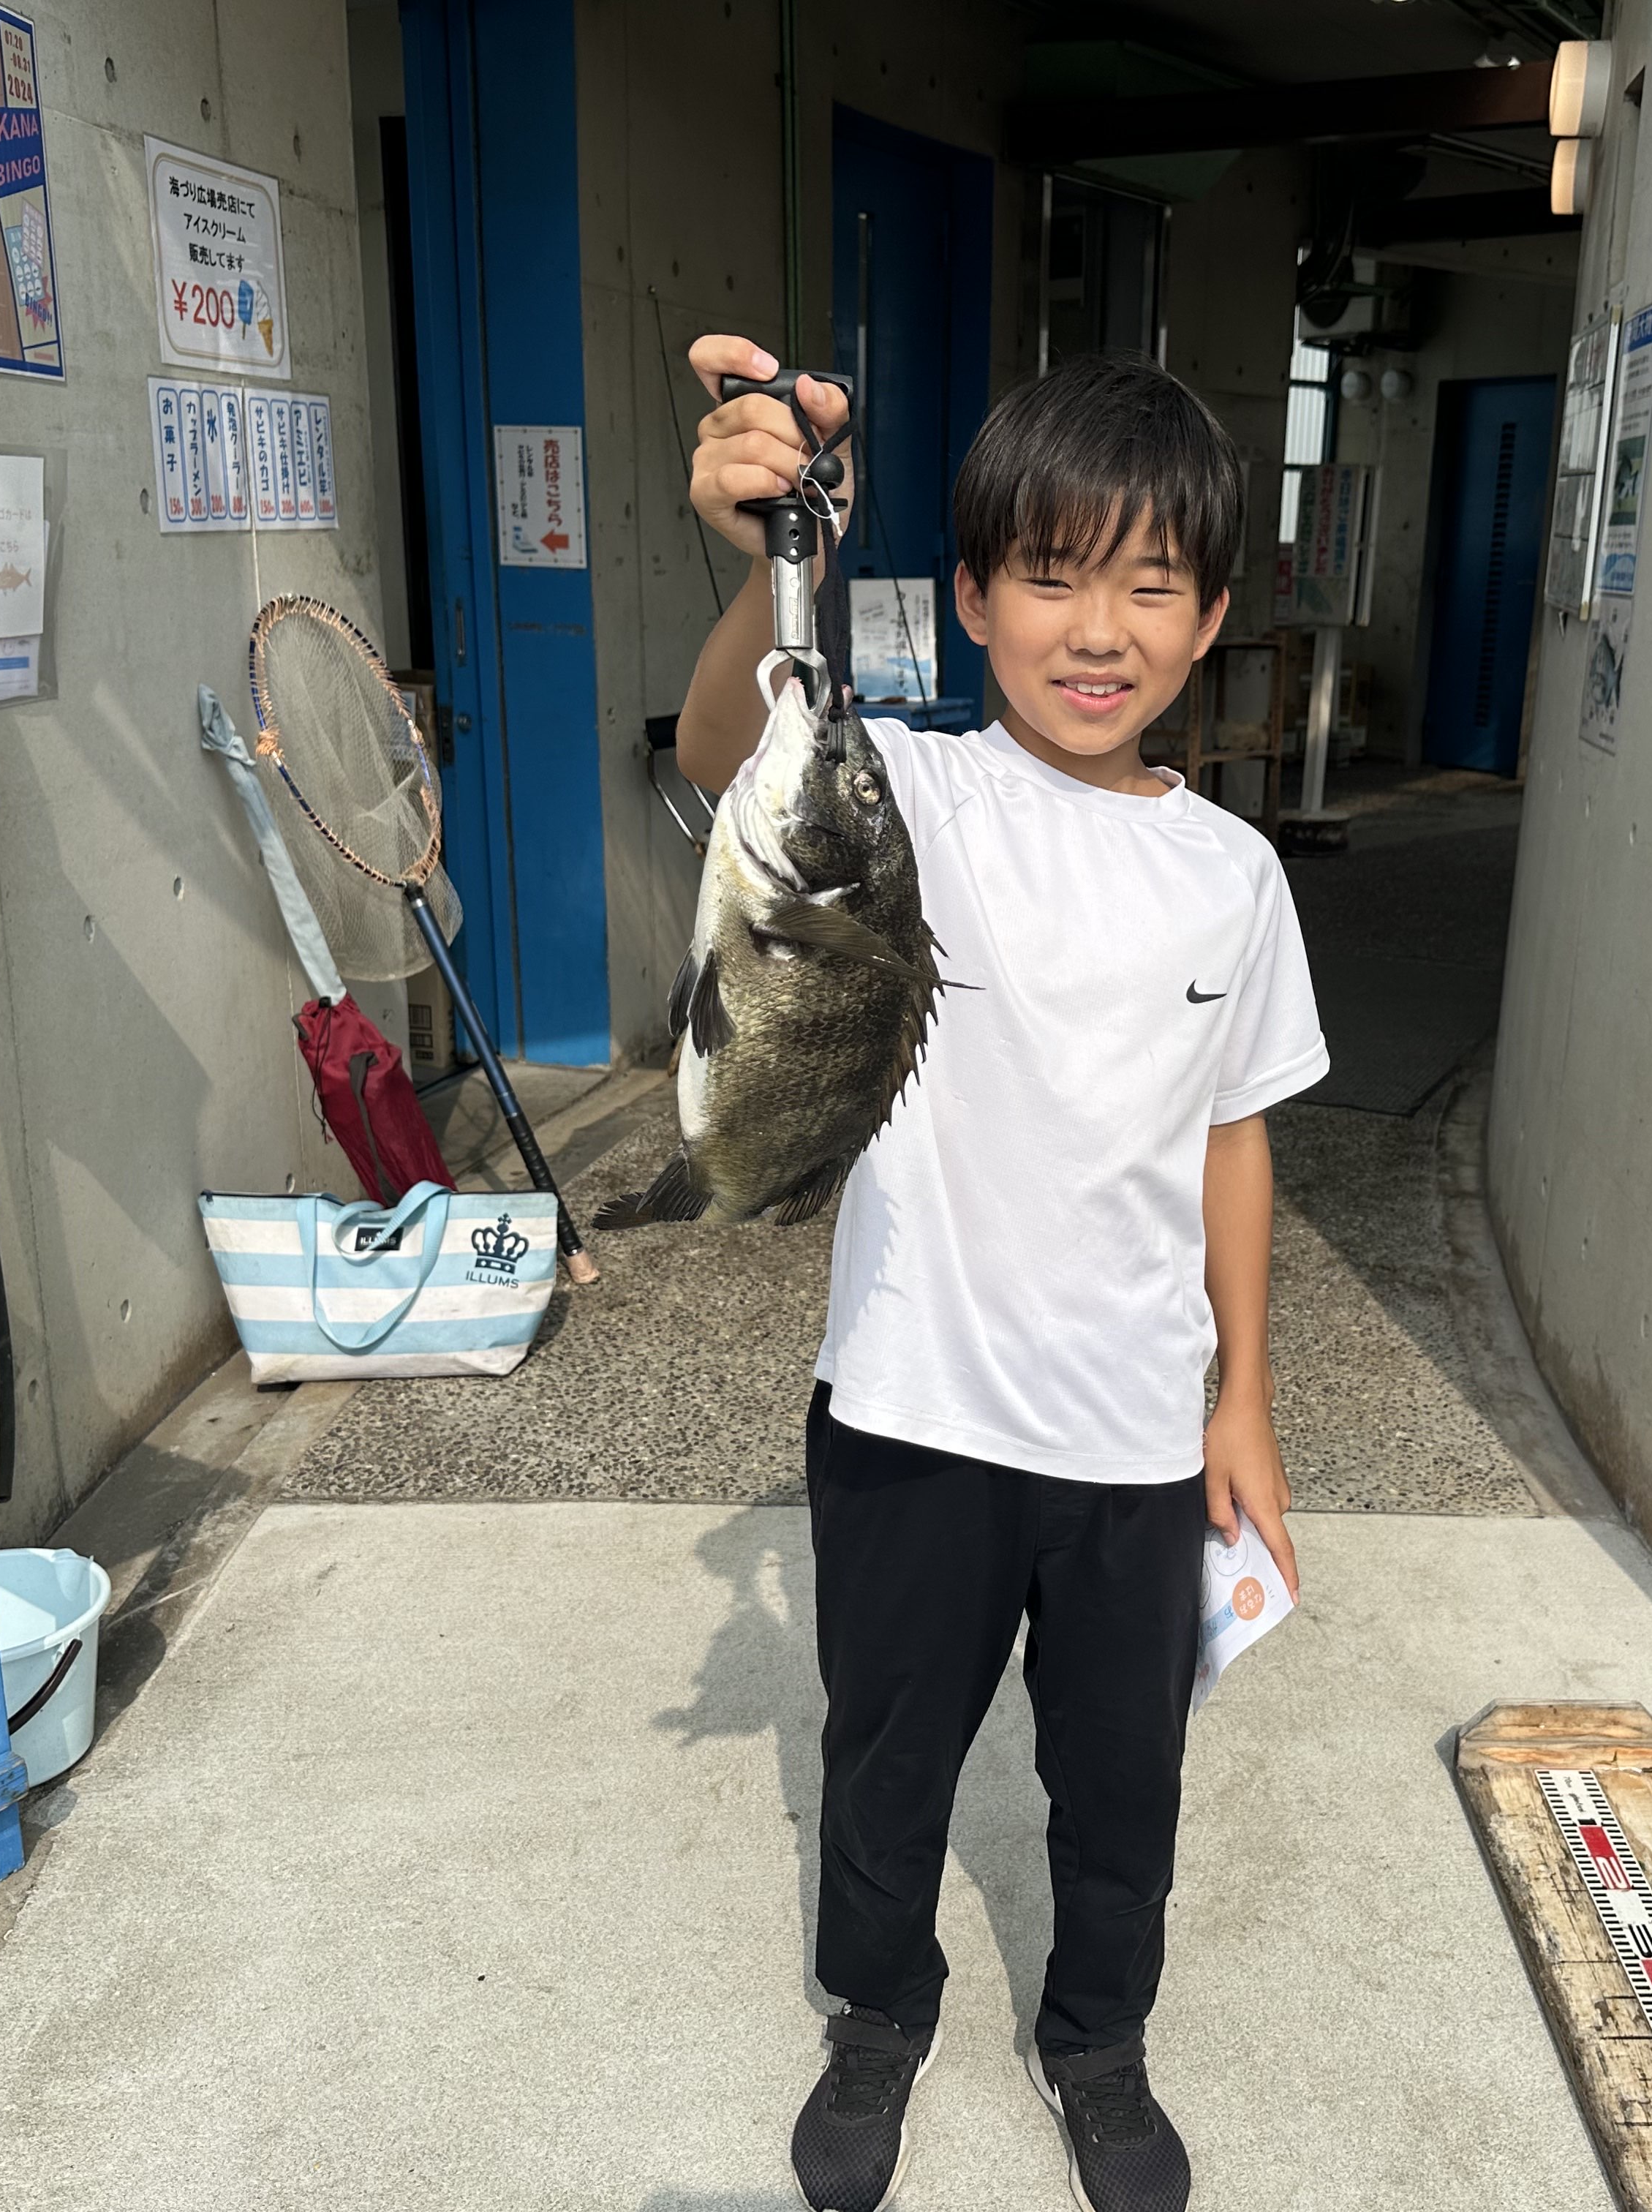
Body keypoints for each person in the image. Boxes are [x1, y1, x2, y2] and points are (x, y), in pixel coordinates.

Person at [673, 336, 1326, 2212]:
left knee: (1121, 1785)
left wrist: (1245, 1404)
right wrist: (768, 555)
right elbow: (729, 750)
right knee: (886, 1762)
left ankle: (1098, 2041)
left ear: (1211, 618)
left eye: (1151, 585)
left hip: (1132, 1440)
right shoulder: (914, 798)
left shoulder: (1234, 877)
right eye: (1051, 576)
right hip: (911, 1409)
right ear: (970, 599)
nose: (1097, 630)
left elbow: (1235, 1140)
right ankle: (879, 2013)